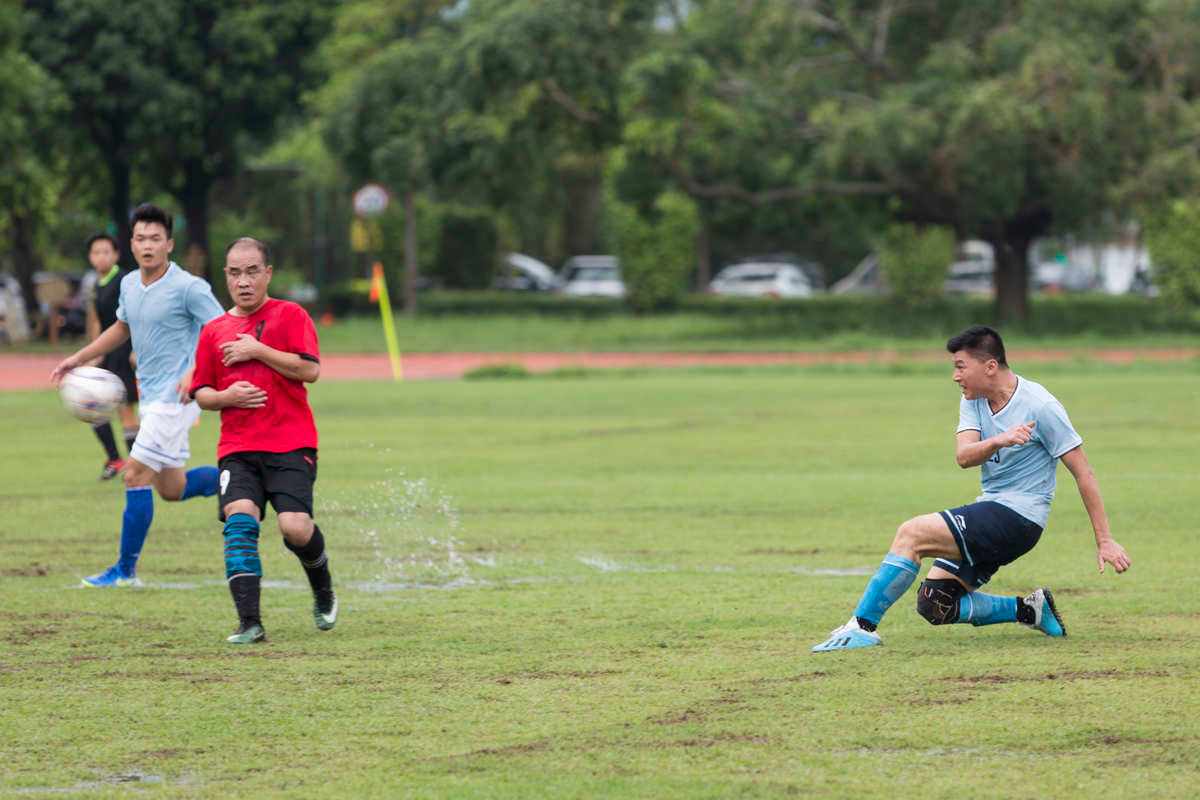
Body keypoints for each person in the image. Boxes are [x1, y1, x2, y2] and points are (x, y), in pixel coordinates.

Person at [812, 325, 1131, 652]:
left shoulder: (1041, 406)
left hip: (1019, 518)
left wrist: (1104, 539)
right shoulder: (974, 399)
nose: (955, 376)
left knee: (912, 533)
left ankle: (861, 627)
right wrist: (1001, 439)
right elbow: (964, 456)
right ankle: (1029, 609)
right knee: (935, 603)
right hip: (993, 508)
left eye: (961, 366)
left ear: (990, 366)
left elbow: (1084, 473)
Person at [51, 204, 224, 587]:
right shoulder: (130, 285)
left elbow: (222, 330)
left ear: (169, 244)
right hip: (151, 398)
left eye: (156, 239)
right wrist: (79, 359)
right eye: (141, 238)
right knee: (172, 488)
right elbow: (121, 327)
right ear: (131, 244)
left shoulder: (189, 287)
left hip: (176, 399)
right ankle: (239, 480)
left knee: (134, 475)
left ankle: (125, 571)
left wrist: (196, 372)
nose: (148, 245)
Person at [190, 237, 336, 644]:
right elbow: (201, 392)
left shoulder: (291, 316)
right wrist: (225, 397)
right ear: (226, 277)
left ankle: (322, 586)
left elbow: (309, 371)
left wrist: (258, 350)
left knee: (295, 528)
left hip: (291, 444)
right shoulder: (213, 331)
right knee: (239, 523)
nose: (244, 281)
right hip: (237, 449)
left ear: (267, 273)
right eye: (235, 273)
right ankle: (249, 622)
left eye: (252, 271)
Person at [81, 233, 139, 479]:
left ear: (115, 254)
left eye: (106, 251)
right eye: (96, 252)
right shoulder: (97, 283)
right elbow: (96, 319)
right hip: (105, 351)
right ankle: (115, 459)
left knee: (125, 409)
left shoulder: (124, 280)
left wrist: (137, 348)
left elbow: (135, 316)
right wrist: (92, 352)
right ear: (90, 257)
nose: (101, 256)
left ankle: (137, 465)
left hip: (123, 351)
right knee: (93, 407)